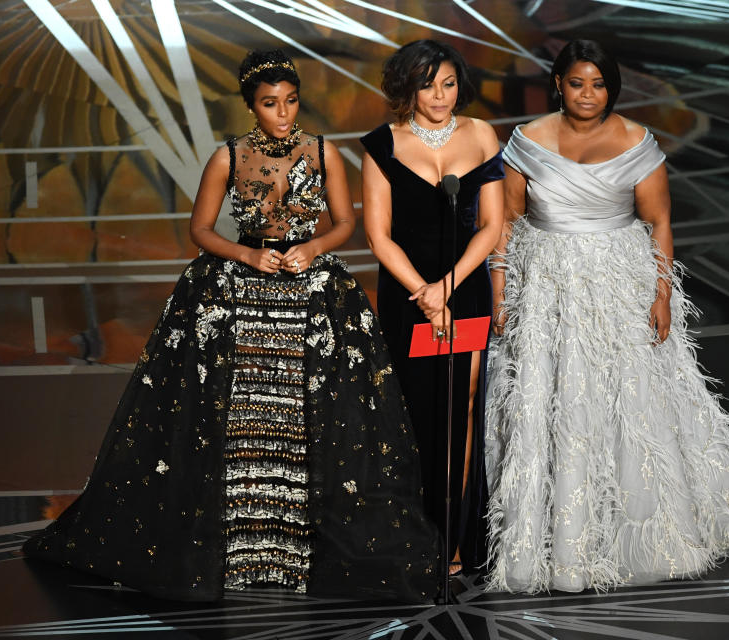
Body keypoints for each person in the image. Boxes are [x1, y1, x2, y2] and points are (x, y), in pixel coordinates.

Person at [23, 49, 439, 603]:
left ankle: (297, 551)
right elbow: (200, 229)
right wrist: (246, 258)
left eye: (291, 101)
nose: (284, 113)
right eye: (270, 104)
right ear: (251, 106)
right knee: (236, 418)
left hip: (311, 290)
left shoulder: (323, 153)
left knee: (309, 418)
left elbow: (345, 224)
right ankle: (240, 550)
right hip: (239, 289)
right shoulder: (227, 157)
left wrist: (312, 248)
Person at [485, 40, 729, 593]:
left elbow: (659, 223)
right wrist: (501, 291)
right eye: (576, 83)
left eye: (598, 84)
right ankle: (562, 539)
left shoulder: (638, 142)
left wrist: (662, 294)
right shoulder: (527, 141)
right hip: (547, 286)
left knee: (630, 399)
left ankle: (641, 532)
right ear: (558, 85)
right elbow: (507, 223)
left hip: (620, 283)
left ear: (612, 88)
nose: (587, 94)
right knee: (556, 400)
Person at [361, 40, 504, 576]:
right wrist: (424, 292)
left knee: (462, 406)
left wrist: (447, 287)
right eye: (427, 85)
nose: (440, 96)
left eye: (448, 83)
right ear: (406, 88)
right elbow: (379, 236)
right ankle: (418, 532)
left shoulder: (482, 134)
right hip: (408, 294)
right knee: (419, 410)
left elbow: (491, 226)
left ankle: (458, 535)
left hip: (463, 288)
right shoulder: (381, 146)